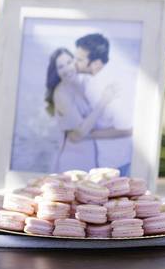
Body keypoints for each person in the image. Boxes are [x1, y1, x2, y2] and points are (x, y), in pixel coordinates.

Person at [45, 47, 117, 172]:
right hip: (72, 159)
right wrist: (104, 101)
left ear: (75, 62)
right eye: (61, 67)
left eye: (69, 62)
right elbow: (79, 133)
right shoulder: (61, 93)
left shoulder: (84, 81)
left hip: (90, 155)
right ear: (56, 71)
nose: (67, 68)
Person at [74, 33, 133, 175]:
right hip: (103, 161)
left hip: (117, 165)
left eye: (79, 60)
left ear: (96, 64)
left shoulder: (111, 87)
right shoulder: (91, 79)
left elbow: (127, 129)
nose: (74, 62)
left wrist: (86, 135)